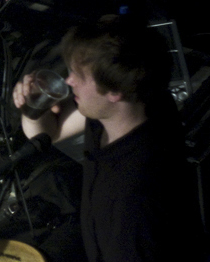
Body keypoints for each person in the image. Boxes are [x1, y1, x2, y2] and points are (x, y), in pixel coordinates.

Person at [12, 14, 205, 261]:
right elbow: (47, 134)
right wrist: (33, 105)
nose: (69, 81)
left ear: (114, 91)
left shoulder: (132, 200)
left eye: (78, 76)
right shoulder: (132, 103)